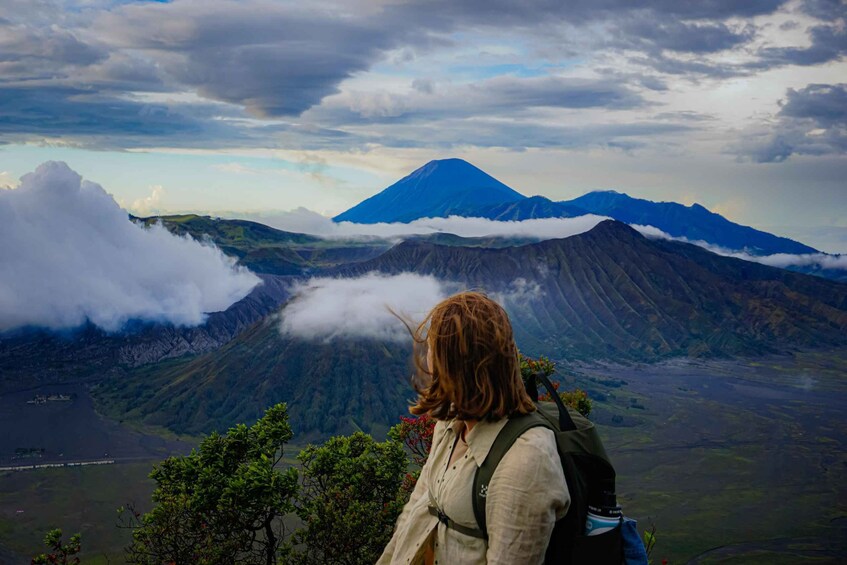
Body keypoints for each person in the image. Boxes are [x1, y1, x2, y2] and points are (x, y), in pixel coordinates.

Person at [378, 291, 569, 565]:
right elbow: (418, 507)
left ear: (458, 364)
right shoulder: (450, 423)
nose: (428, 359)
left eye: (433, 348)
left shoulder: (527, 461)